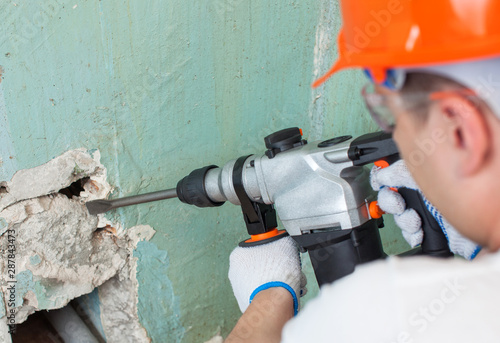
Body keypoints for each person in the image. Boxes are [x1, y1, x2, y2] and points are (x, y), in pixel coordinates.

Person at [225, 1, 500, 342]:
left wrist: (269, 296)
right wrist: (482, 240)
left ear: (460, 132)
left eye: (390, 117)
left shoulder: (376, 311)